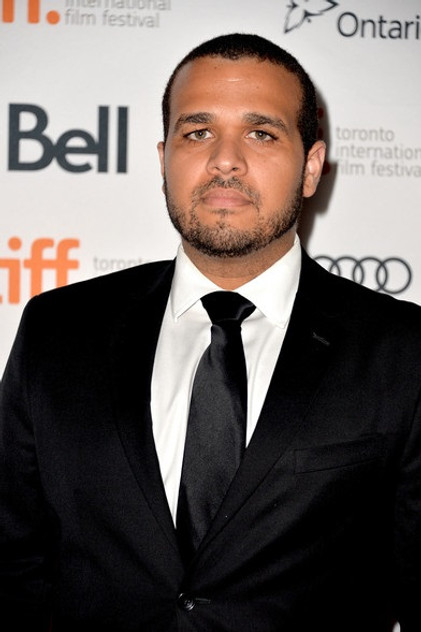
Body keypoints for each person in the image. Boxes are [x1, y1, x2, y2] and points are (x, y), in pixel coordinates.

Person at [0, 33, 420, 632]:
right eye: (197, 132)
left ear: (311, 167)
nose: (225, 159)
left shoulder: (402, 351)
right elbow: (14, 563)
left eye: (261, 133)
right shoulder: (57, 331)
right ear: (163, 160)